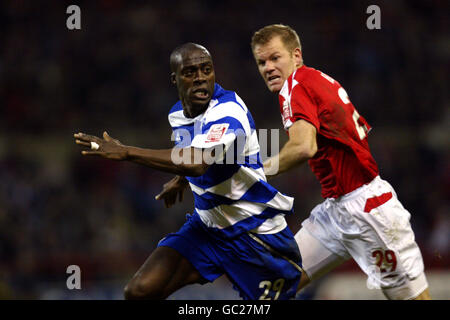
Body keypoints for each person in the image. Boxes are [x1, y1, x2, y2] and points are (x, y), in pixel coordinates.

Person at [74, 43, 303, 300]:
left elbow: (197, 161)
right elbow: (195, 153)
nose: (200, 78)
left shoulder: (229, 111)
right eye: (190, 72)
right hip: (207, 230)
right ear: (175, 78)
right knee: (139, 292)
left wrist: (126, 152)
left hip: (255, 237)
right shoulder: (177, 115)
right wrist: (181, 180)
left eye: (206, 70)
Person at [250, 24, 431, 300]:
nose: (268, 67)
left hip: (369, 212)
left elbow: (303, 147)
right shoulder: (317, 79)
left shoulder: (294, 87)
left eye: (275, 58)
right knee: (268, 288)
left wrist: (256, 175)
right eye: (262, 62)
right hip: (336, 211)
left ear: (296, 56)